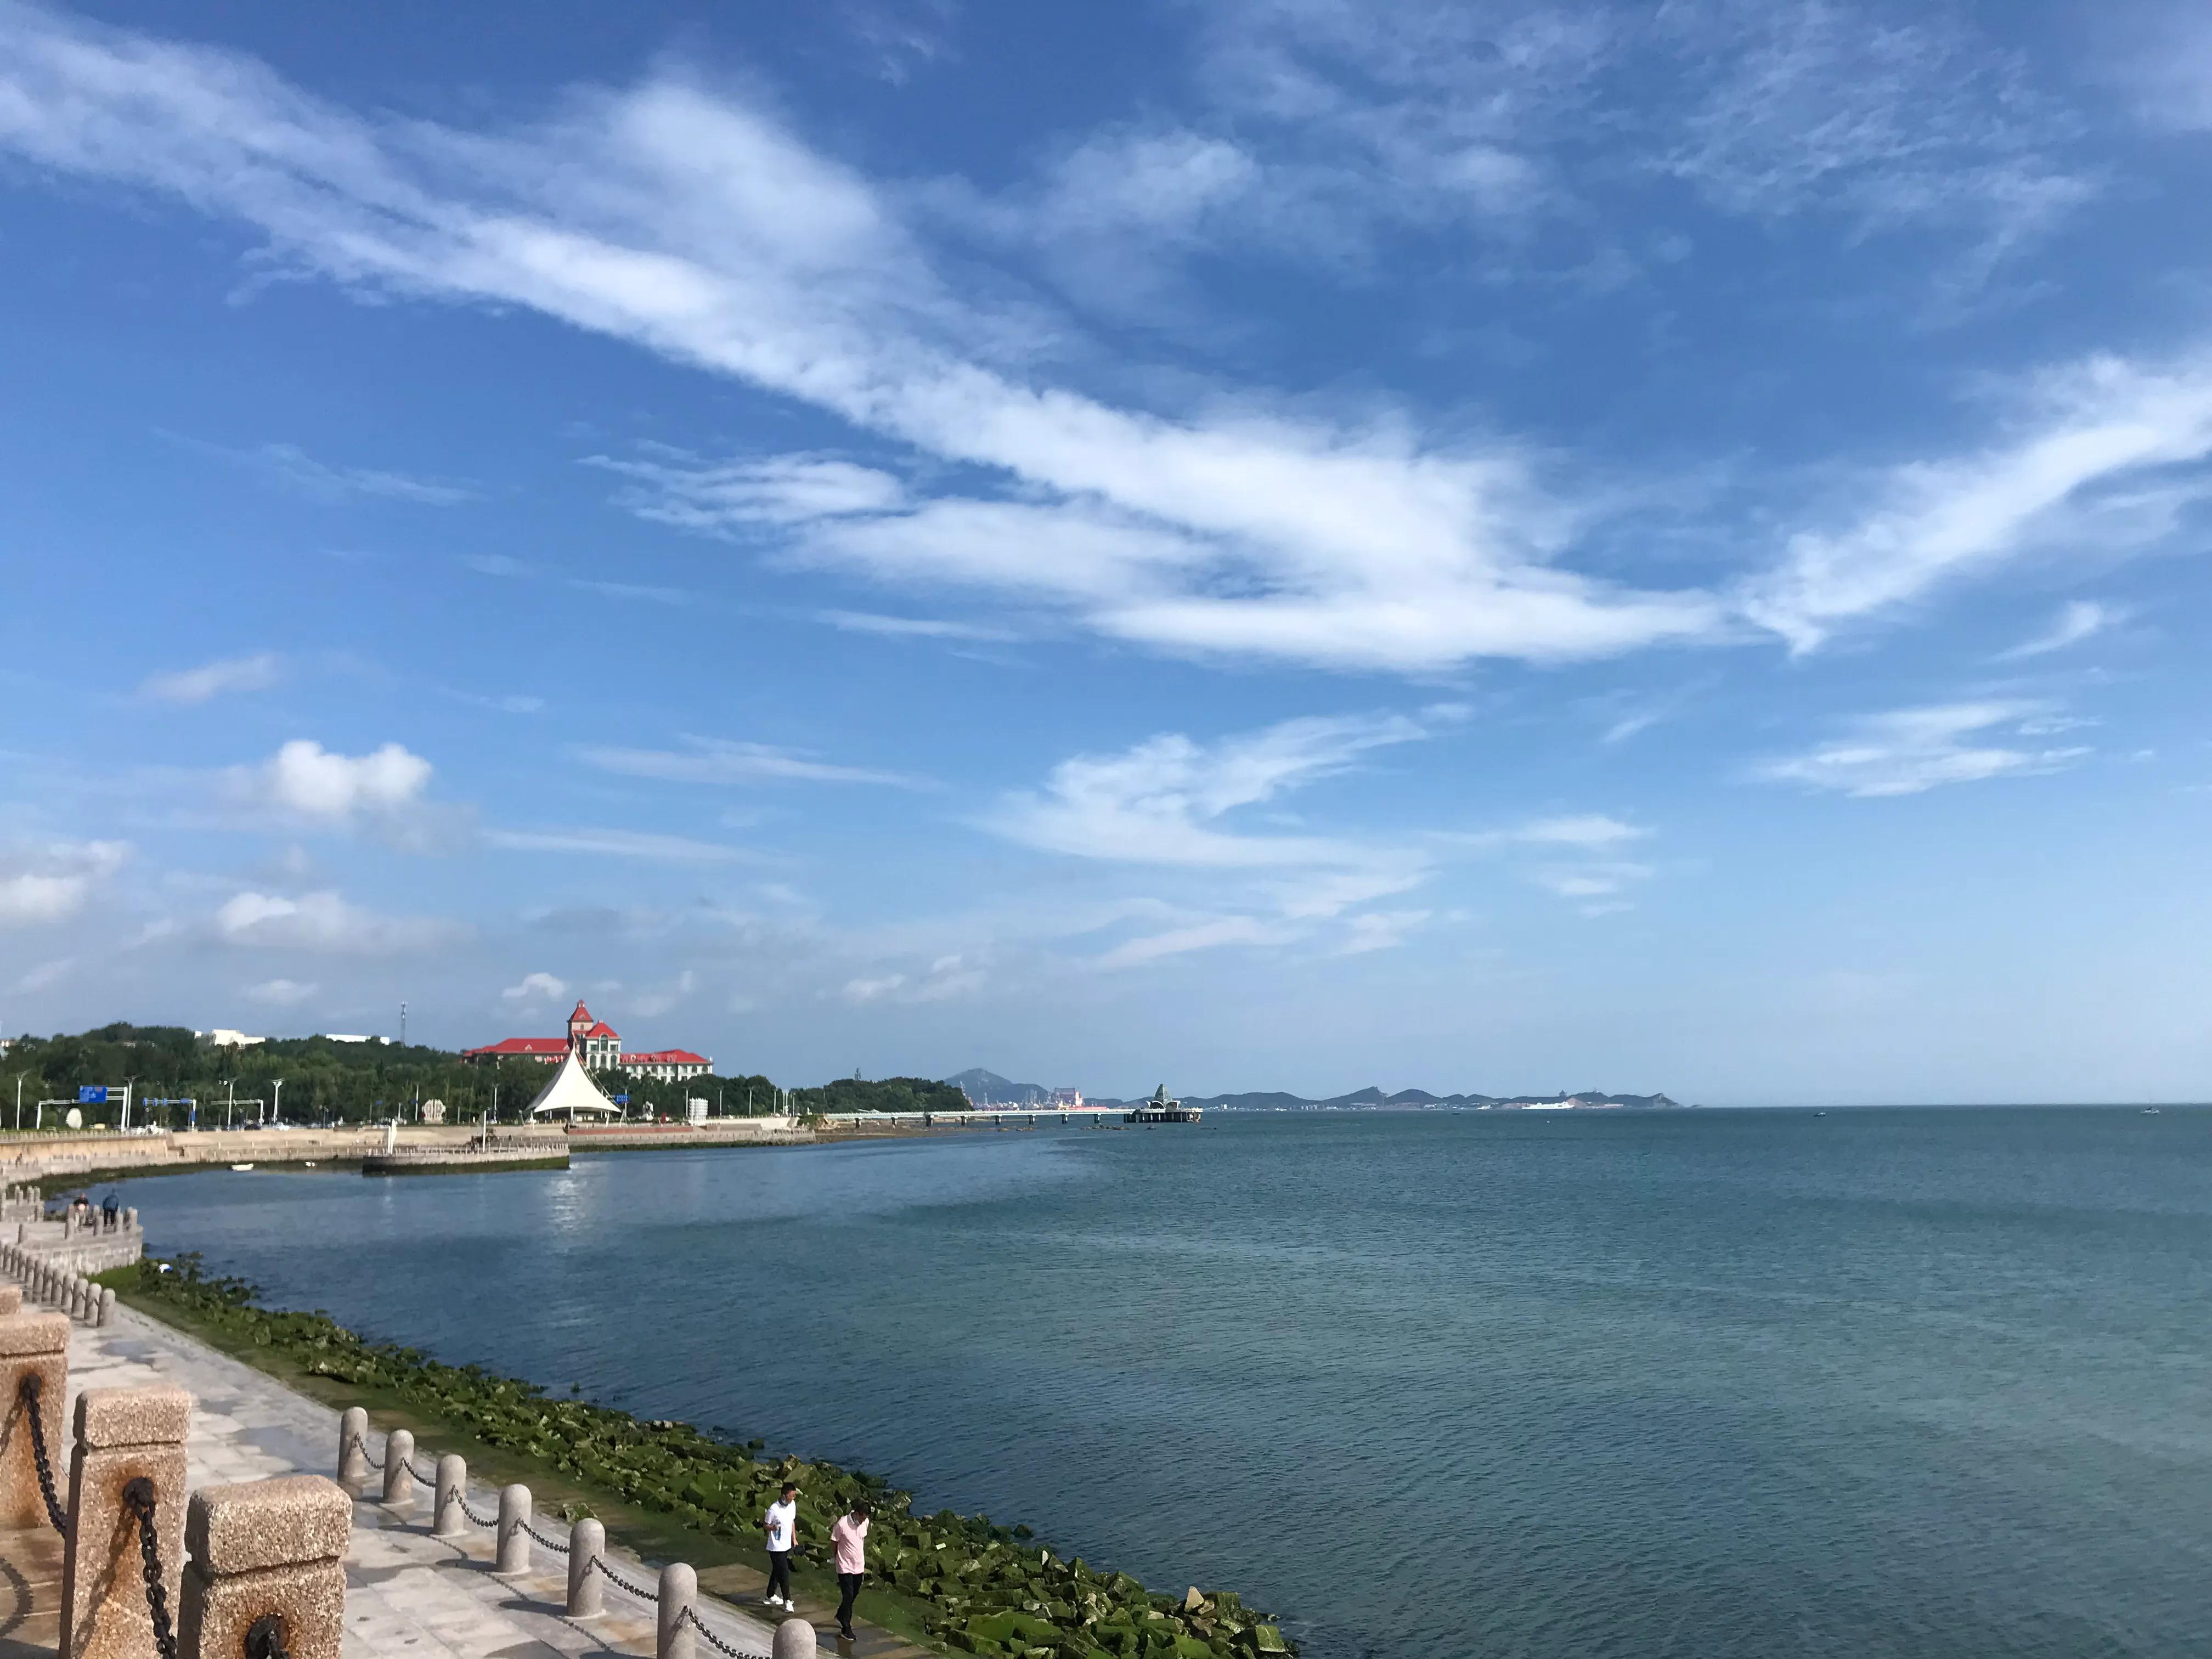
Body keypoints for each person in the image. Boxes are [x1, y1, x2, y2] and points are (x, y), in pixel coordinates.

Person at [830, 1498, 871, 1640]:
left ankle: (841, 1614)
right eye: (862, 1518)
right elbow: (834, 1541)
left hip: (859, 1565)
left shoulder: (865, 1523)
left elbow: (861, 1541)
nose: (863, 1521)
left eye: (866, 1518)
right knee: (848, 1596)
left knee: (854, 1594)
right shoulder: (842, 1524)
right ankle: (846, 1627)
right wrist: (836, 1557)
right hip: (844, 1565)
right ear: (857, 1514)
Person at [761, 1481, 798, 1610]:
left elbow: (792, 1522)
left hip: (787, 1544)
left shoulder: (792, 1505)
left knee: (777, 1570)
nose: (793, 1498)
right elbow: (765, 1525)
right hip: (776, 1547)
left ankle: (770, 1595)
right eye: (791, 1496)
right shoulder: (773, 1509)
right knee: (784, 1572)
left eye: (794, 1496)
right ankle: (788, 1600)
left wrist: (794, 1539)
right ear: (784, 1495)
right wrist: (773, 1527)